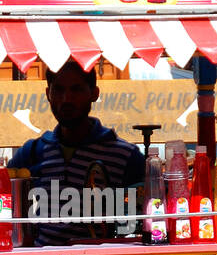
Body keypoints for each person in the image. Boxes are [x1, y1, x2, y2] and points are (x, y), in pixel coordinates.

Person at [8, 61, 144, 245]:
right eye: (59, 90)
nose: (66, 99)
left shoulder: (125, 156)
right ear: (48, 94)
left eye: (76, 90)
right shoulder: (33, 152)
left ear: (94, 94)